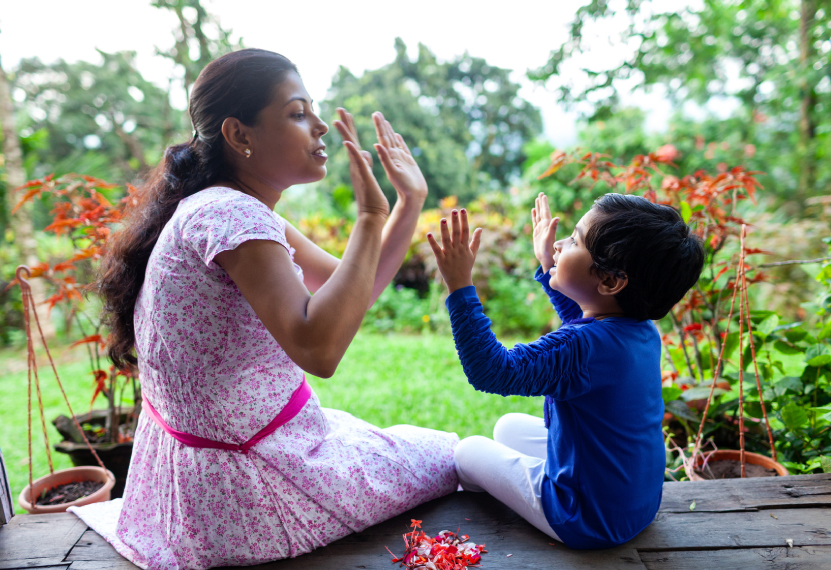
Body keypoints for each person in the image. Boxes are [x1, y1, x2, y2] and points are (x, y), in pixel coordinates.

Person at [68, 49, 458, 569]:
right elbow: (320, 348)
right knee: (453, 454)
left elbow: (350, 289)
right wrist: (369, 215)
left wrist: (407, 205)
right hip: (252, 492)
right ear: (240, 134)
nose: (319, 126)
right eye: (298, 113)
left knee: (423, 447)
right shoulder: (230, 215)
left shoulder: (222, 204)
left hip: (208, 486)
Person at [426, 192, 704, 549]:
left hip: (586, 519)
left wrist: (459, 287)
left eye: (574, 240)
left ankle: (498, 516)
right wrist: (549, 266)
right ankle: (533, 484)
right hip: (635, 506)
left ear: (609, 281)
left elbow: (491, 370)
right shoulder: (639, 330)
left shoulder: (583, 347)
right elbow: (585, 324)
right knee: (506, 426)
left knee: (467, 451)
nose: (558, 244)